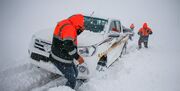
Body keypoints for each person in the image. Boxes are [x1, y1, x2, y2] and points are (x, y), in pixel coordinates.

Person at [49, 14, 85, 89]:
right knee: (72, 80)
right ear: (78, 24)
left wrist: (79, 30)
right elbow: (68, 46)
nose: (82, 28)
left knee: (75, 73)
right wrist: (78, 57)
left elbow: (68, 37)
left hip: (62, 55)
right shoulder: (69, 28)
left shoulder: (66, 23)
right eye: (81, 26)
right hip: (61, 59)